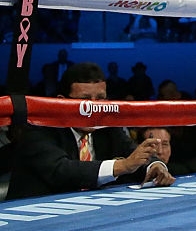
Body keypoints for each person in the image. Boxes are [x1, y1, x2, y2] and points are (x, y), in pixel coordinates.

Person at [7, 63, 174, 199]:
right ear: (61, 102)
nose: (93, 108)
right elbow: (62, 171)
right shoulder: (39, 129)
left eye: (100, 99)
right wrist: (122, 165)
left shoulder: (106, 128)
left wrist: (155, 166)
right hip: (31, 219)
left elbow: (132, 152)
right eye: (84, 100)